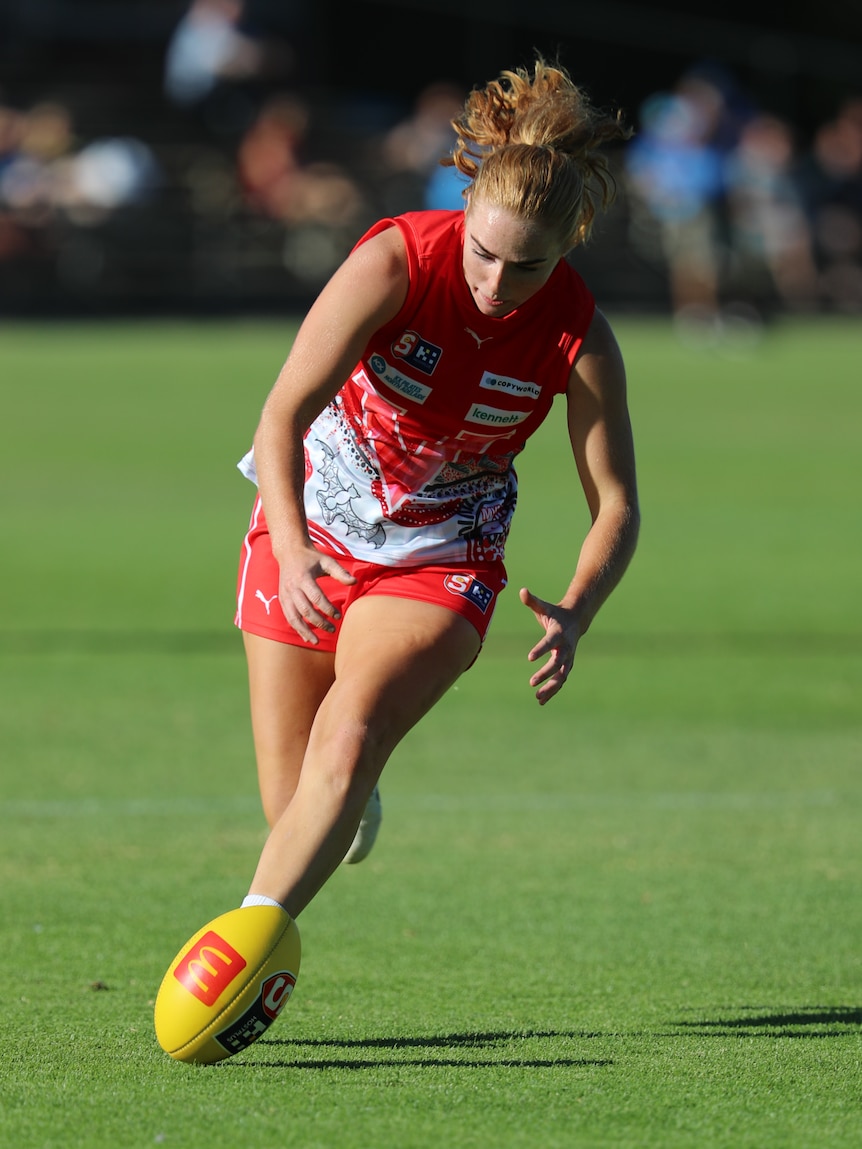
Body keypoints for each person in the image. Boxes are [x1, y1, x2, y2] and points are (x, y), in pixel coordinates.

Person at [232, 58, 640, 931]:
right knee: (293, 797)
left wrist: (577, 608)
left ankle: (244, 944)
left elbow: (616, 503)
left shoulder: (580, 336)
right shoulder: (394, 261)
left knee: (349, 736)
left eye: (525, 268)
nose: (495, 285)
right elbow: (282, 413)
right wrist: (296, 543)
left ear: (566, 246)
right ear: (463, 218)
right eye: (482, 253)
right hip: (311, 525)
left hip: (440, 554)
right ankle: (340, 807)